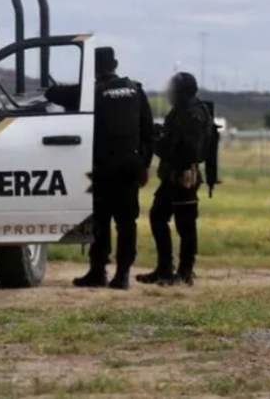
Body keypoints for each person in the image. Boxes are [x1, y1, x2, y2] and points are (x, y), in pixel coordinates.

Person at [45, 46, 154, 290]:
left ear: (94, 68)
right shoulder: (136, 90)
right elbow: (148, 132)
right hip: (130, 165)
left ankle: (98, 271)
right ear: (115, 64)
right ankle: (123, 274)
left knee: (101, 221)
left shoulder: (93, 92)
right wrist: (144, 166)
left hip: (103, 167)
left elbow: (54, 94)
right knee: (127, 223)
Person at [137, 71, 212, 287]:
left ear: (180, 91)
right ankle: (164, 269)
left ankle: (185, 272)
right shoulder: (180, 111)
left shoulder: (192, 113)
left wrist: (160, 144)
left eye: (172, 89)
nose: (168, 93)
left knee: (185, 225)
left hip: (184, 176)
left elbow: (190, 148)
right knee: (158, 216)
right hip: (172, 174)